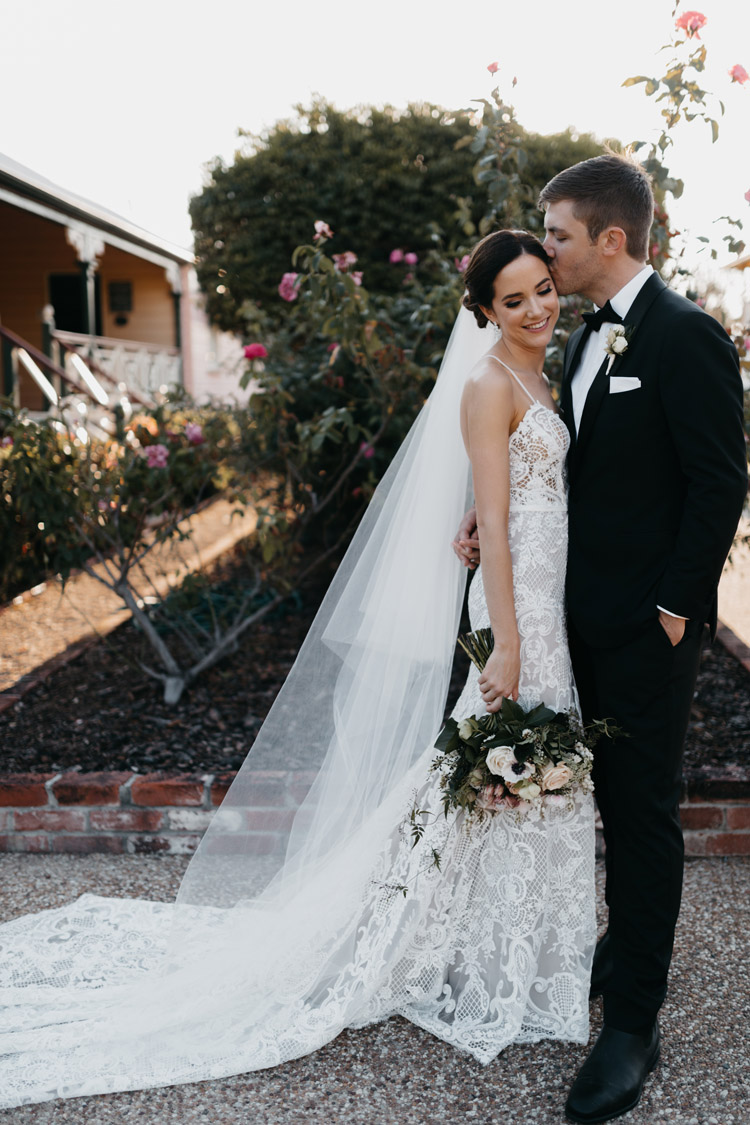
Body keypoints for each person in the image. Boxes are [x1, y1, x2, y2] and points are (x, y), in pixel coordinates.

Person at [0, 231, 596, 1110]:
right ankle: (469, 958)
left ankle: (506, 952)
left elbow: (505, 501)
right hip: (517, 610)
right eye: (514, 300)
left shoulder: (550, 370)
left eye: (544, 288)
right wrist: (506, 637)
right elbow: (497, 530)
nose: (538, 308)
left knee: (496, 776)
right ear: (481, 312)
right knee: (499, 767)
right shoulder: (485, 384)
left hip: (549, 599)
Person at [454, 152, 748, 1124]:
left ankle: (632, 1024)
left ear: (610, 240)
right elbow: (572, 472)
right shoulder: (584, 344)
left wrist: (673, 607)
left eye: (561, 236)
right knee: (607, 807)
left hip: (645, 633)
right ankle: (621, 952)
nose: (550, 250)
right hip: (573, 621)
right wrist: (485, 522)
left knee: (643, 816)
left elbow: (719, 481)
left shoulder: (683, 336)